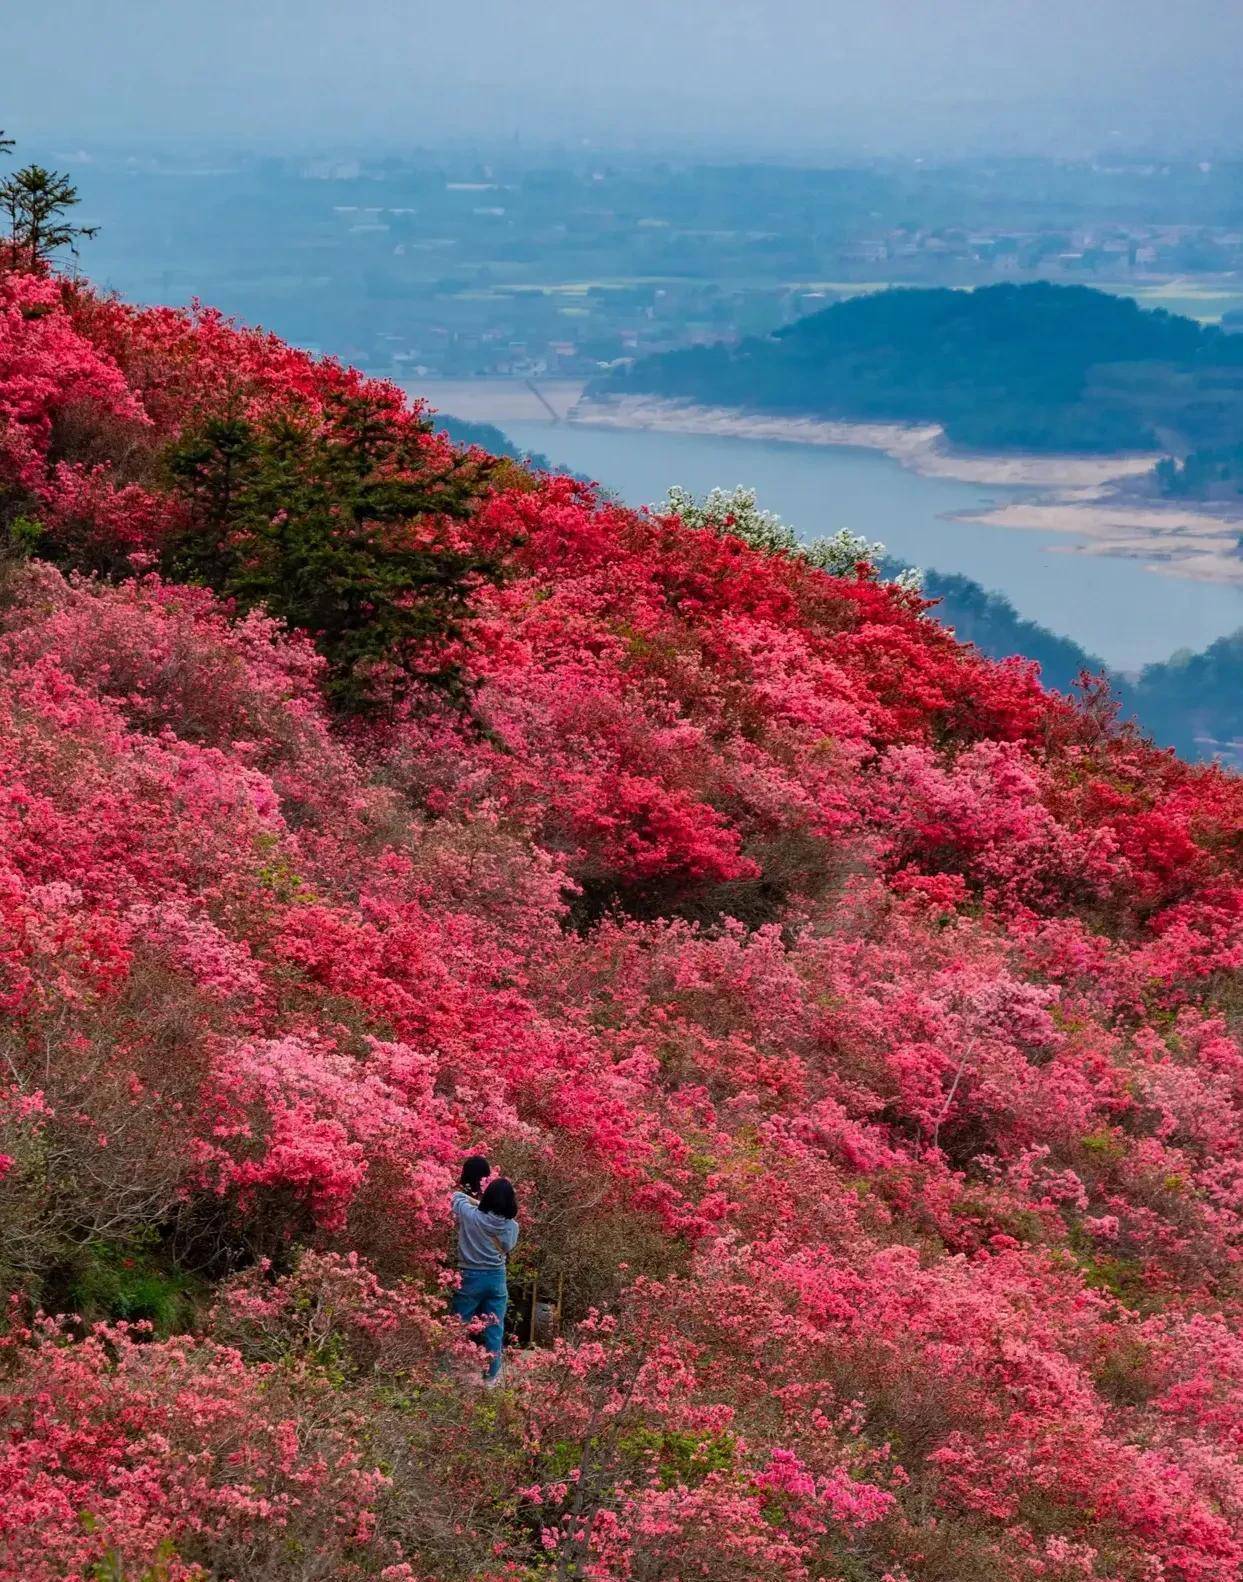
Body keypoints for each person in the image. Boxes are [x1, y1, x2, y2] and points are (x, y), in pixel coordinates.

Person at [450, 1172, 519, 1385]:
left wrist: (478, 1202)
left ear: (487, 1197)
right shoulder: (512, 1226)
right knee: (494, 1328)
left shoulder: (471, 1216)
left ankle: (447, 1371)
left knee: (456, 1325)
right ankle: (491, 1377)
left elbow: (456, 1197)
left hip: (469, 1276)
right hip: (496, 1277)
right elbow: (508, 1248)